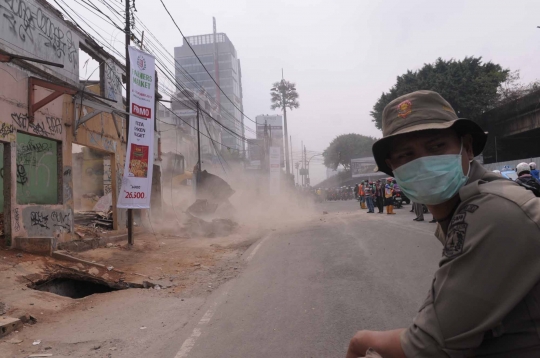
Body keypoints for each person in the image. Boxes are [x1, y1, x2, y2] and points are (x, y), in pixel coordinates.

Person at [346, 90, 540, 358]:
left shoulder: (493, 211)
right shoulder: (465, 209)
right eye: (406, 155)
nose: (422, 163)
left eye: (436, 147)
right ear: (394, 168)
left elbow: (429, 347)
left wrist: (360, 341)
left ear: (467, 147)